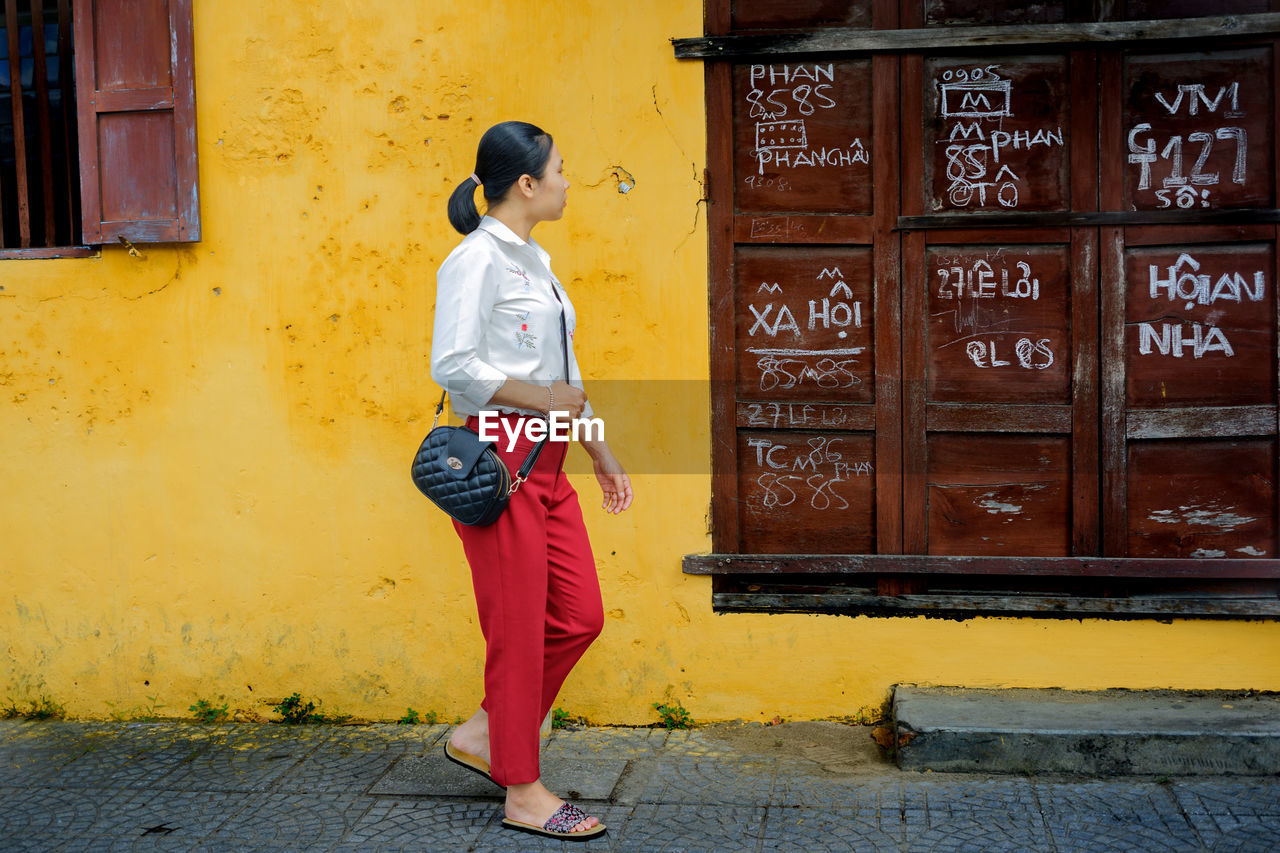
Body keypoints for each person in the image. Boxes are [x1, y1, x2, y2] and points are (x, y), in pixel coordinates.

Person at [430, 121, 633, 841]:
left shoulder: (536, 260)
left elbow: (566, 378)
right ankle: (522, 790)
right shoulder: (474, 260)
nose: (569, 181)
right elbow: (452, 366)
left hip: (550, 462)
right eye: (560, 169)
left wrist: (599, 450)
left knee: (579, 615)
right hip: (499, 462)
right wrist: (543, 402)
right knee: (517, 632)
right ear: (527, 183)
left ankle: (490, 730)